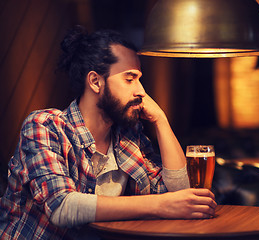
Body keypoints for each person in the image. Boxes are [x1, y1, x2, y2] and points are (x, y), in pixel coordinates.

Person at [0, 26, 217, 239]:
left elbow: (178, 192)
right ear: (95, 81)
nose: (141, 91)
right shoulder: (46, 126)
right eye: (129, 79)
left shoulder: (128, 135)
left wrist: (161, 119)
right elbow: (62, 207)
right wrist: (161, 205)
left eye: (139, 79)